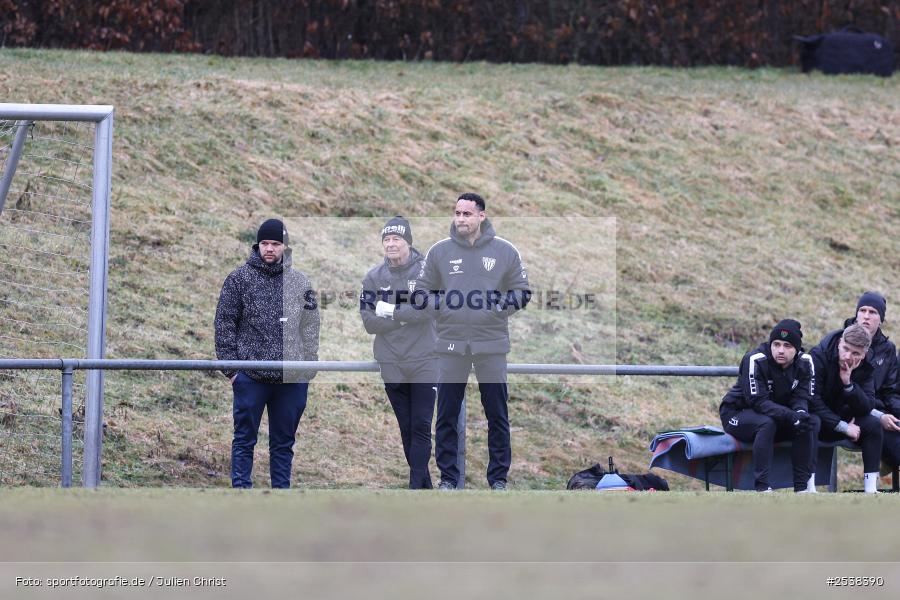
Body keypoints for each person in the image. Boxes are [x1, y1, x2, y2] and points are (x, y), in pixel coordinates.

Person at [415, 192, 531, 490]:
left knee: (497, 415)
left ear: (482, 215)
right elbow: (421, 292)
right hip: (451, 346)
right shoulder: (439, 252)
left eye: (467, 214)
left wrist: (498, 308)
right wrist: (442, 307)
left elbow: (521, 291)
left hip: (490, 346)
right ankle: (449, 480)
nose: (461, 219)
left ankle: (498, 480)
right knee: (446, 417)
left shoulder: (506, 251)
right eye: (457, 213)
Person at [214, 218, 320, 489]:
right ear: (257, 245)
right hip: (250, 377)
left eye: (275, 243)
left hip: (292, 380)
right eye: (265, 243)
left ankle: (281, 497)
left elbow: (310, 326)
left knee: (284, 443)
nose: (269, 248)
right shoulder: (239, 279)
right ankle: (241, 492)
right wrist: (233, 370)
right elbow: (225, 323)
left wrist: (307, 368)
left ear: (284, 246)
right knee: (244, 439)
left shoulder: (300, 282)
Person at [359, 216, 437, 489]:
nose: (391, 244)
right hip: (391, 361)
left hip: (426, 359)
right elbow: (369, 322)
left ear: (408, 243)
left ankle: (415, 487)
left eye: (397, 239)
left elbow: (427, 311)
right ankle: (423, 487)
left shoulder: (428, 272)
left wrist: (390, 311)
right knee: (406, 427)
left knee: (421, 426)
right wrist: (405, 317)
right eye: (387, 239)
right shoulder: (373, 277)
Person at [719, 319, 820, 492]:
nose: (781, 350)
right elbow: (758, 402)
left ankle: (803, 489)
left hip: (776, 416)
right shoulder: (755, 359)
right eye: (776, 344)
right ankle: (762, 487)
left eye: (787, 346)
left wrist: (800, 412)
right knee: (766, 423)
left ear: (796, 349)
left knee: (810, 421)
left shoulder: (805, 362)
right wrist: (791, 416)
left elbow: (802, 396)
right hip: (737, 414)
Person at [809, 322, 883, 493]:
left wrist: (848, 385)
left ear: (864, 354)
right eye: (845, 349)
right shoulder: (818, 356)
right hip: (819, 421)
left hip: (846, 420)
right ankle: (808, 489)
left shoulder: (866, 365)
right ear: (839, 343)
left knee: (873, 424)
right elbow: (812, 402)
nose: (848, 356)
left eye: (855, 353)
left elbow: (867, 406)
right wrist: (843, 426)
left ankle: (871, 489)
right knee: (811, 421)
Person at [841, 292, 900, 468]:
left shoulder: (887, 349)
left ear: (881, 318)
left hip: (881, 412)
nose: (866, 316)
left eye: (873, 312)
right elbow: (841, 392)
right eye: (862, 310)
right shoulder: (842, 342)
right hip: (853, 415)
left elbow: (890, 392)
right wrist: (879, 416)